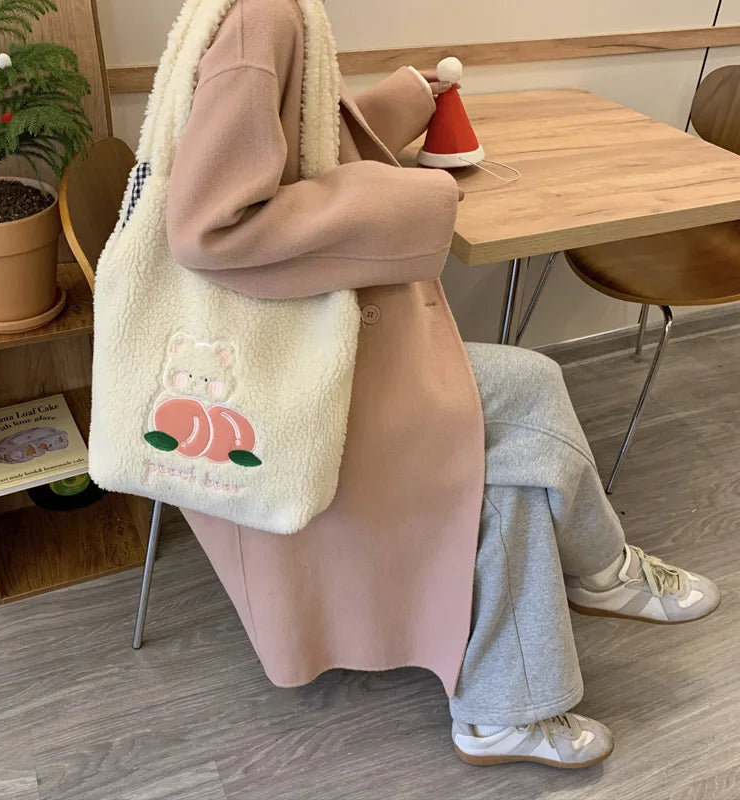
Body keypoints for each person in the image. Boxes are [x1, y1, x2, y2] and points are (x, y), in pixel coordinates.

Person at [163, 0, 720, 769]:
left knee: (512, 449)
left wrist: (398, 102)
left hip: (283, 346)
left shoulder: (256, 10)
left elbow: (290, 147)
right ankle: (595, 577)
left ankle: (515, 694)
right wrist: (409, 201)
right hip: (282, 386)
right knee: (522, 400)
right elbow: (208, 226)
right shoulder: (263, 17)